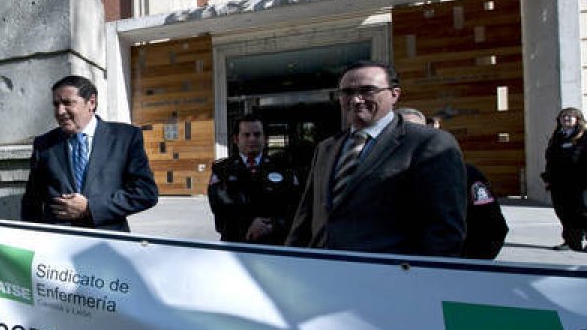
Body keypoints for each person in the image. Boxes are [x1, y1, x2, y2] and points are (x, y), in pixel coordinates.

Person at [287, 61, 467, 256]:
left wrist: (417, 280)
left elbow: (443, 231)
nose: (356, 100)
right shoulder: (326, 148)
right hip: (320, 272)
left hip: (387, 277)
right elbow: (305, 218)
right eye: (347, 92)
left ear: (394, 94)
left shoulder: (429, 143)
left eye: (367, 90)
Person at [21, 75, 158, 231]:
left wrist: (90, 208)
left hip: (107, 242)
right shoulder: (44, 144)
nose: (60, 111)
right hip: (58, 244)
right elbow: (31, 203)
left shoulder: (125, 137)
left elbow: (145, 193)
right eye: (56, 104)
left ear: (91, 102)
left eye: (67, 103)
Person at [400, 108, 508, 259]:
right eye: (403, 133)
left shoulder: (467, 175)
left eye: (417, 132)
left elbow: (491, 228)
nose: (411, 139)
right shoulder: (379, 177)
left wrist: (465, 266)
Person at [207, 114, 300, 244]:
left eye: (257, 134)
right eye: (246, 135)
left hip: (275, 244)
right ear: (236, 139)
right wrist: (249, 225)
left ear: (265, 138)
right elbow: (220, 209)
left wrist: (271, 225)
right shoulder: (222, 170)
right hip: (236, 244)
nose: (252, 139)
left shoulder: (283, 168)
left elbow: (295, 207)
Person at [541, 107, 587, 251]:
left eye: (569, 116)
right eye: (563, 117)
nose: (565, 119)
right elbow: (550, 159)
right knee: (564, 213)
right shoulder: (557, 136)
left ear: (577, 119)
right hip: (559, 183)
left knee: (583, 213)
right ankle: (571, 241)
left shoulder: (584, 136)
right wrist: (548, 177)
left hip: (580, 183)